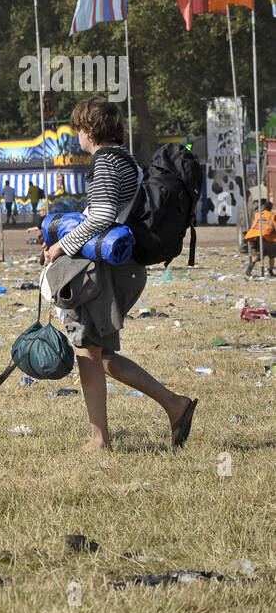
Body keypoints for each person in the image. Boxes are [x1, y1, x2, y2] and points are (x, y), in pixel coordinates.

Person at [43, 97, 196, 452]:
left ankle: (101, 439)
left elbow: (102, 216)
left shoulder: (106, 163)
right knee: (101, 355)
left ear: (91, 130)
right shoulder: (125, 159)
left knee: (87, 350)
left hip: (109, 272)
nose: (76, 136)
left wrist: (61, 246)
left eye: (79, 129)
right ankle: (174, 405)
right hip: (124, 268)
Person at [244, 199, 276, 278]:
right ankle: (270, 272)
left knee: (258, 254)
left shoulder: (258, 214)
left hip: (258, 237)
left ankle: (249, 270)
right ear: (271, 208)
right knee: (272, 256)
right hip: (268, 238)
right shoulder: (272, 215)